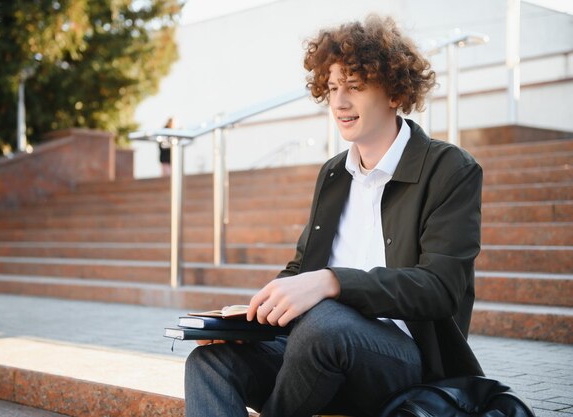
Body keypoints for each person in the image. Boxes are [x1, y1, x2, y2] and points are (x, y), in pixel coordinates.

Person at [185, 14, 484, 417]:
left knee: (326, 323)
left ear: (395, 92)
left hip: (402, 362)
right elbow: (301, 266)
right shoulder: (333, 173)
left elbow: (439, 288)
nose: (339, 103)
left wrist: (332, 283)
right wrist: (250, 320)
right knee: (210, 363)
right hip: (316, 352)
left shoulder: (450, 169)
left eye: (355, 88)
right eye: (332, 88)